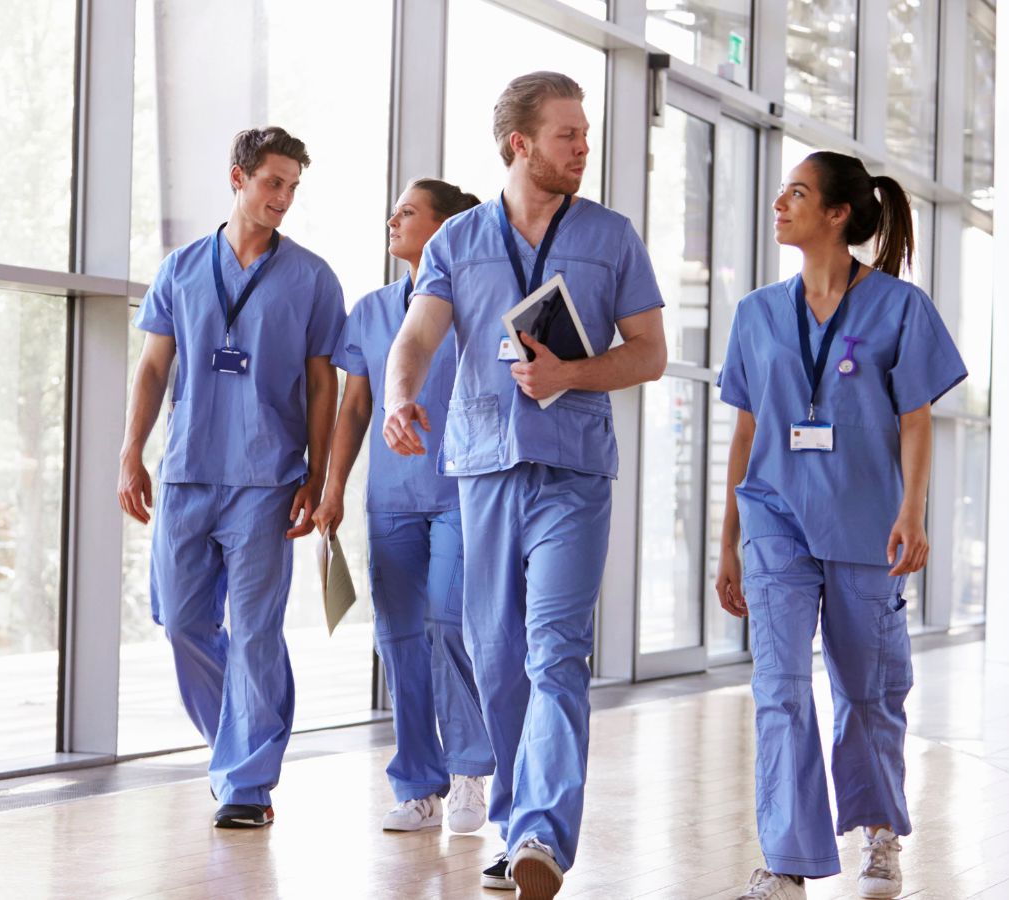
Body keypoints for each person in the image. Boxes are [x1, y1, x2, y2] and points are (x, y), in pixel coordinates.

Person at [381, 72, 667, 899]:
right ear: (520, 144)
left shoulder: (611, 237)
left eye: (584, 134)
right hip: (482, 470)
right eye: (568, 135)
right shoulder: (458, 240)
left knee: (554, 653)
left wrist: (572, 372)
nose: (584, 147)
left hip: (574, 473)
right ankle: (515, 826)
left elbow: (647, 351)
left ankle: (542, 831)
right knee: (499, 658)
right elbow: (417, 337)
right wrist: (401, 398)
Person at [713, 151, 966, 900]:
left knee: (868, 690)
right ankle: (787, 858)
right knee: (779, 686)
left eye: (798, 192)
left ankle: (879, 829)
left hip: (866, 521)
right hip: (775, 517)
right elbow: (744, 429)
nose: (780, 202)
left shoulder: (899, 308)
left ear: (838, 215)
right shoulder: (757, 314)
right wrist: (728, 537)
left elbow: (916, 421)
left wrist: (911, 513)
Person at [118, 126, 345, 830]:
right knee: (182, 621)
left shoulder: (311, 277)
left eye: (293, 187)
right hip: (188, 471)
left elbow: (321, 384)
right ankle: (234, 747)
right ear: (238, 178)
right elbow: (155, 367)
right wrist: (131, 452)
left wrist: (317, 471)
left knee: (254, 633)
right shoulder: (182, 269)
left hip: (268, 478)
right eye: (273, 182)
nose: (283, 198)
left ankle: (247, 782)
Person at [313, 178, 494, 835]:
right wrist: (332, 489)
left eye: (409, 212)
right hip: (390, 500)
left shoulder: (478, 307)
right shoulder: (370, 309)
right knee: (399, 641)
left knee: (448, 623)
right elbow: (355, 405)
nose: (393, 218)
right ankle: (419, 784)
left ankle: (472, 768)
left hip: (461, 492)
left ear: (446, 229)